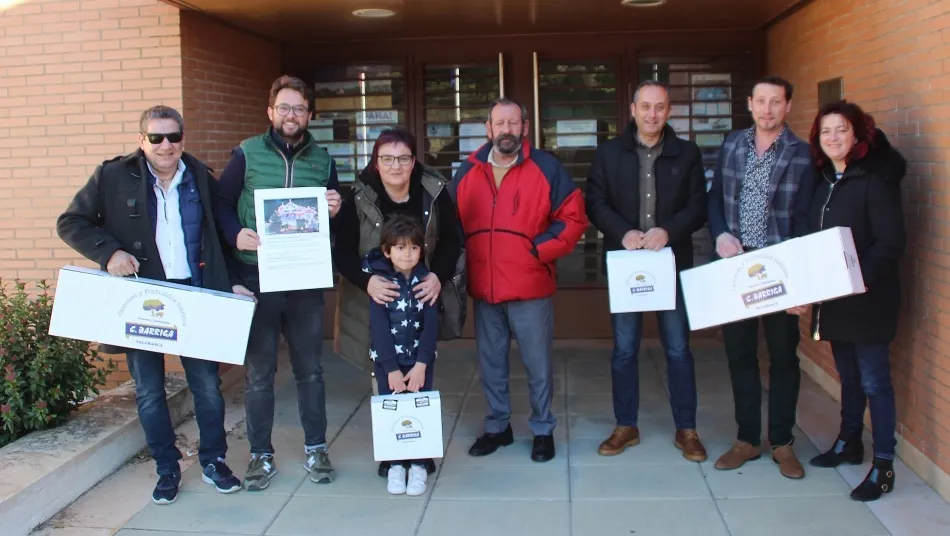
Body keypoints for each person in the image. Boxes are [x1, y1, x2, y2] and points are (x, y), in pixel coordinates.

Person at [56, 105, 242, 504]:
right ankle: (166, 468)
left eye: (173, 137)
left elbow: (220, 238)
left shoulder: (200, 177)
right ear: (142, 140)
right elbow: (71, 221)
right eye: (156, 137)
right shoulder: (112, 176)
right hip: (143, 295)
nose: (165, 145)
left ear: (182, 139)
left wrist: (236, 284)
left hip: (195, 294)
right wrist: (109, 254)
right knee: (150, 391)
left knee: (208, 387)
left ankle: (213, 461)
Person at [212, 75, 342, 491]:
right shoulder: (247, 154)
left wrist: (335, 206)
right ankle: (260, 456)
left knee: (311, 371)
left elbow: (334, 210)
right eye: (284, 107)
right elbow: (220, 203)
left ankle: (317, 448)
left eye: (299, 108)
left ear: (309, 115)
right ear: (270, 112)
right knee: (259, 374)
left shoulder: (322, 159)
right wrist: (235, 233)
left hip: (304, 278)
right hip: (256, 275)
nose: (291, 115)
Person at [452, 97, 588, 463]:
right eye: (500, 123)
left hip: (529, 286)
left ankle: (543, 430)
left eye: (514, 123)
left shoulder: (546, 167)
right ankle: (498, 427)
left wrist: (537, 251)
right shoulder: (468, 171)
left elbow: (573, 219)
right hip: (485, 288)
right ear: (489, 129)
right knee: (491, 364)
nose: (507, 130)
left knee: (537, 365)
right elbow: (450, 224)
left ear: (524, 128)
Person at [585, 81, 709, 461]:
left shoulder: (687, 153)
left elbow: (698, 205)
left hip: (670, 263)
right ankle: (626, 425)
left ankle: (686, 429)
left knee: (677, 348)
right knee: (624, 349)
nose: (652, 114)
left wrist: (667, 231)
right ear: (633, 109)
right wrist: (622, 233)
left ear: (668, 111)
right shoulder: (609, 153)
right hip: (628, 264)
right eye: (646, 107)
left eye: (660, 107)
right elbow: (595, 201)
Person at [791, 100, 906, 501]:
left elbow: (890, 244)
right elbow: (810, 240)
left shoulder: (875, 180)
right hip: (834, 300)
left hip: (867, 298)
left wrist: (853, 280)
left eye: (841, 130)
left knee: (875, 381)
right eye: (825, 131)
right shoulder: (823, 181)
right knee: (850, 377)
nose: (833, 137)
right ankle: (849, 442)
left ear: (857, 135)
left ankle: (884, 465)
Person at [334, 127, 461, 478]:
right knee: (385, 378)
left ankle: (420, 449)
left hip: (421, 299)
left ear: (413, 161)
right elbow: (341, 252)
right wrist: (367, 281)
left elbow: (452, 240)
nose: (395, 166)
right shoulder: (357, 197)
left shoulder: (433, 192)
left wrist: (438, 276)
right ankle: (393, 451)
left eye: (403, 158)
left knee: (422, 376)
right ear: (376, 163)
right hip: (376, 301)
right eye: (387, 158)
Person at [707, 76, 816, 479]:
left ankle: (783, 442)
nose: (767, 109)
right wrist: (719, 234)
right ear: (750, 104)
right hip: (737, 269)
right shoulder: (732, 144)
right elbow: (715, 197)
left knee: (784, 356)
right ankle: (747, 438)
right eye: (761, 101)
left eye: (776, 102)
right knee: (739, 355)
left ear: (787, 106)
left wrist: (801, 276)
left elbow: (806, 218)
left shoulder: (804, 155)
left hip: (781, 270)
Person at [364, 215, 440, 496]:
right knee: (392, 411)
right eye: (399, 247)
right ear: (387, 251)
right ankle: (396, 464)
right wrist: (391, 369)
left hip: (421, 361)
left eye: (413, 248)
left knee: (420, 409)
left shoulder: (427, 282)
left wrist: (422, 364)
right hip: (389, 363)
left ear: (422, 250)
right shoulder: (381, 284)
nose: (407, 254)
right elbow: (379, 328)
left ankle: (419, 464)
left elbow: (432, 326)